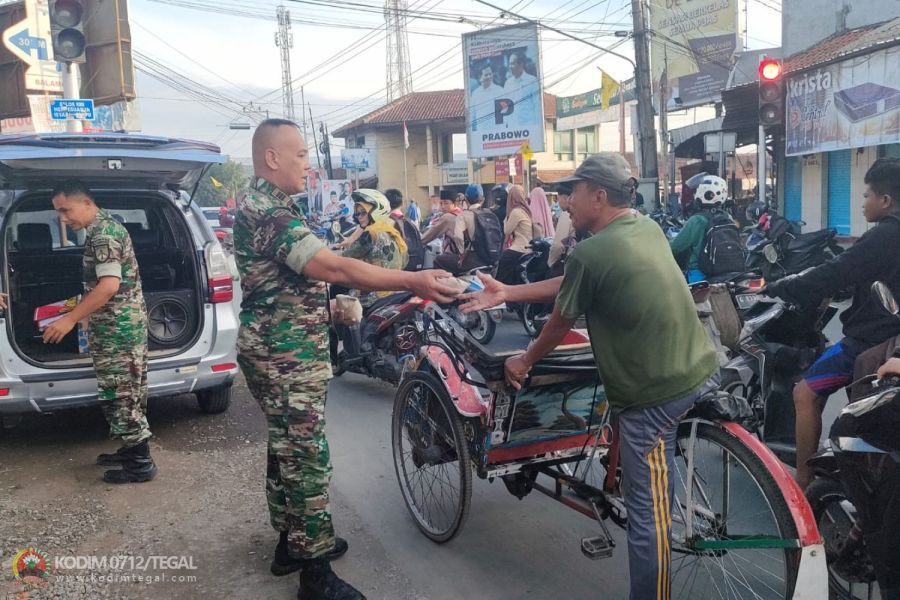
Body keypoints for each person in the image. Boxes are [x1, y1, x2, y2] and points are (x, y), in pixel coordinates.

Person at [460, 152, 719, 600]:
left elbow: (559, 321)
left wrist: (523, 362)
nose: (565, 202)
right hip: (701, 366)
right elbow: (576, 283)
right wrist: (508, 291)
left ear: (599, 196)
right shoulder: (645, 228)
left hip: (653, 393)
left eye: (573, 192)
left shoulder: (595, 251)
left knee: (648, 519)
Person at [234, 119, 457, 600]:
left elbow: (312, 269)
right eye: (299, 155)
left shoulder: (273, 207)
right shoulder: (268, 211)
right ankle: (315, 574)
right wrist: (414, 281)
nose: (308, 165)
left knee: (286, 449)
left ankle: (291, 544)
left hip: (280, 347)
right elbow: (330, 266)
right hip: (282, 354)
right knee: (306, 455)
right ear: (272, 158)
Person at [765, 157, 900, 488]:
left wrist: (781, 286)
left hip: (870, 341)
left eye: (867, 195)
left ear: (885, 200)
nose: (862, 202)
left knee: (804, 392)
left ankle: (803, 481)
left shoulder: (883, 236)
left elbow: (833, 272)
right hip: (890, 338)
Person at [43, 180, 156, 484]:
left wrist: (69, 319)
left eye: (66, 210)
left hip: (118, 329)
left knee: (119, 394)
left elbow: (108, 286)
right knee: (130, 391)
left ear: (87, 203)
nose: (63, 218)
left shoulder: (104, 234)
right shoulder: (102, 229)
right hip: (120, 325)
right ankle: (131, 449)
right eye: (58, 213)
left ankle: (140, 463)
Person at [342, 189, 408, 307]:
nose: (360, 217)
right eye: (357, 214)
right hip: (395, 291)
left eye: (363, 213)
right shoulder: (391, 231)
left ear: (375, 213)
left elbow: (344, 257)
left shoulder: (370, 234)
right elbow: (405, 261)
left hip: (374, 295)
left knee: (343, 306)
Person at [668, 174, 732, 283]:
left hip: (699, 273)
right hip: (725, 271)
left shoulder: (697, 220)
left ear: (704, 192)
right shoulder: (727, 217)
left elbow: (675, 247)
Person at [435, 183, 490, 274]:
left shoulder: (463, 216)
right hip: (491, 259)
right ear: (483, 200)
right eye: (441, 203)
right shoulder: (490, 213)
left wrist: (462, 254)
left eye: (445, 203)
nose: (443, 206)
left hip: (473, 259)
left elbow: (458, 237)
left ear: (466, 200)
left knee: (438, 260)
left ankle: (448, 286)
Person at [495, 184, 533, 285]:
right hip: (529, 248)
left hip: (519, 248)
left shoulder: (516, 212)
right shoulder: (526, 210)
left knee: (500, 271)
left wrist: (506, 218)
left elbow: (507, 230)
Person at [504, 50, 538, 127]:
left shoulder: (532, 81)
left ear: (521, 64)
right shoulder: (507, 83)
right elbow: (505, 107)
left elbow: (537, 106)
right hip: (512, 128)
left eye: (512, 64)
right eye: (509, 64)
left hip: (529, 126)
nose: (510, 67)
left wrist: (536, 126)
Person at [470, 63, 504, 132]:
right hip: (481, 132)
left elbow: (504, 112)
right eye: (486, 75)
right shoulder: (475, 94)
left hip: (497, 132)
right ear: (480, 77)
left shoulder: (500, 90)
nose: (489, 76)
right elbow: (473, 116)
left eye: (490, 74)